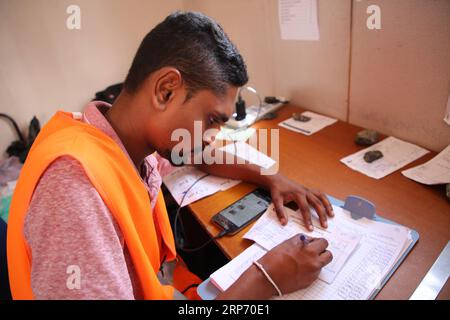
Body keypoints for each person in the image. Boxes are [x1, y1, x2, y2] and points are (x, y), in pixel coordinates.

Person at [7, 11, 333, 300]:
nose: (213, 135)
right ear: (165, 90)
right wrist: (265, 281)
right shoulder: (75, 188)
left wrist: (270, 177)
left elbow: (200, 154)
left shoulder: (130, 142)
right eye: (212, 120)